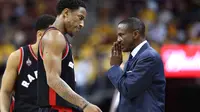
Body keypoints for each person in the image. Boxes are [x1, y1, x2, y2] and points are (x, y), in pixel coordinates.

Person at [37, 0, 102, 112]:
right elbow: (53, 79)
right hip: (55, 109)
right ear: (66, 13)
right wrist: (84, 105)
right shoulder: (54, 37)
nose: (82, 25)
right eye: (80, 18)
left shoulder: (60, 38)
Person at [106, 17, 166, 112]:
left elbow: (128, 89)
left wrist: (115, 67)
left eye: (121, 35)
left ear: (135, 34)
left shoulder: (149, 57)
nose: (118, 40)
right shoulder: (134, 57)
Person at [0, 14, 56, 112]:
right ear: (40, 35)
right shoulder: (18, 56)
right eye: (54, 36)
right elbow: (5, 91)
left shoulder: (59, 59)